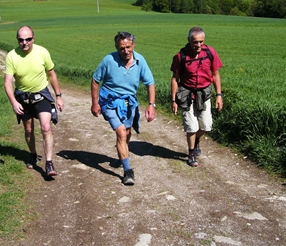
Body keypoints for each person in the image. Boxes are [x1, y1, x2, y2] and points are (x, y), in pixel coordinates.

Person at [91, 31, 156, 185]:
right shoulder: (108, 60)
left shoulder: (140, 61)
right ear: (116, 48)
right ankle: (128, 171)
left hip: (129, 102)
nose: (125, 51)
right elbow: (95, 81)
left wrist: (151, 105)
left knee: (126, 133)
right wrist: (95, 102)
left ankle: (122, 152)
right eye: (122, 48)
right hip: (109, 101)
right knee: (121, 132)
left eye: (128, 47)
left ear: (133, 45)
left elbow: (150, 84)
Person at [4, 26, 64, 177]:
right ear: (17, 40)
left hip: (41, 94)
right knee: (29, 129)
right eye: (21, 40)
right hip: (23, 97)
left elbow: (51, 74)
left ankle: (49, 163)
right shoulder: (12, 56)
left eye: (28, 39)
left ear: (33, 38)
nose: (25, 43)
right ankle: (33, 154)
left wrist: (58, 95)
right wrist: (13, 102)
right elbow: (8, 82)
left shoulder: (42, 52)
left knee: (45, 127)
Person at [170, 26, 223, 167]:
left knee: (206, 126)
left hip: (204, 93)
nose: (198, 45)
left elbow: (216, 74)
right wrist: (174, 100)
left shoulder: (210, 52)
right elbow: (175, 79)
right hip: (186, 94)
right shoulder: (180, 56)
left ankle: (197, 140)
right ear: (189, 40)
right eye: (195, 42)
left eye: (201, 42)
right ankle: (192, 153)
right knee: (191, 127)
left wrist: (219, 95)